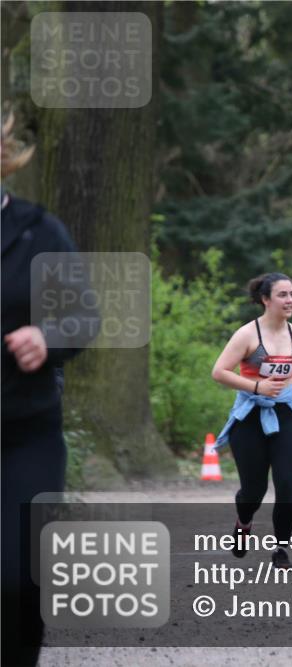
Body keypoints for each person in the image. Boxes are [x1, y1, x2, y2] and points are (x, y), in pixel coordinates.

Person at [2, 114, 100, 666]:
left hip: (23, 432)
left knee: (19, 576)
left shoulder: (40, 231)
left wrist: (47, 335)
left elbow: (83, 317)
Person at [211, 273, 292, 569]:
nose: (290, 300)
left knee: (286, 485)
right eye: (283, 295)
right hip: (251, 417)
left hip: (286, 415)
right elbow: (219, 371)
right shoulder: (247, 335)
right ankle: (243, 522)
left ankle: (281, 549)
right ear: (265, 299)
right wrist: (257, 387)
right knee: (254, 491)